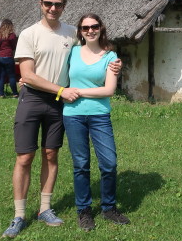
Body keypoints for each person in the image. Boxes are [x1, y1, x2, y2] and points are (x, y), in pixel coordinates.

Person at [2, 0, 121, 238]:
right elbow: (28, 75)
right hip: (35, 98)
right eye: (48, 3)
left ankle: (45, 208)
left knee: (51, 153)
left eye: (58, 4)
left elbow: (93, 49)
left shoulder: (70, 33)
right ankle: (19, 215)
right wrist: (61, 90)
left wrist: (115, 61)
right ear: (41, 4)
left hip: (59, 103)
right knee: (25, 157)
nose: (53, 8)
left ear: (64, 6)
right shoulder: (29, 34)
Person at [63, 14, 130, 231]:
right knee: (81, 165)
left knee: (109, 163)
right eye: (85, 27)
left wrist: (77, 91)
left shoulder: (111, 57)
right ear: (80, 31)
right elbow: (56, 74)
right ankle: (84, 211)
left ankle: (108, 207)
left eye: (94, 26)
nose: (90, 30)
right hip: (73, 115)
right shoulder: (72, 52)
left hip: (100, 115)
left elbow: (109, 90)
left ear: (101, 28)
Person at [0, 19, 18, 98]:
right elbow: (14, 46)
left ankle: (1, 94)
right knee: (12, 76)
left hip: (0, 56)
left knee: (0, 76)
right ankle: (15, 93)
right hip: (9, 56)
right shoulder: (11, 35)